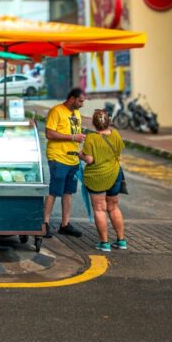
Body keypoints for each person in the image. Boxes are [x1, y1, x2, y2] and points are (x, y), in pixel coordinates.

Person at [79, 109, 128, 252]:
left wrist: (80, 155)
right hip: (114, 174)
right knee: (113, 207)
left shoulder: (91, 138)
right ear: (109, 121)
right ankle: (121, 240)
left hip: (97, 177)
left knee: (100, 209)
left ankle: (104, 243)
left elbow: (89, 159)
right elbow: (118, 154)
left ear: (94, 123)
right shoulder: (116, 135)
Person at [42, 87, 86, 237]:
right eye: (80, 101)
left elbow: (74, 133)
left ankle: (65, 224)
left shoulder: (77, 114)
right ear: (72, 99)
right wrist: (72, 138)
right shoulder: (56, 111)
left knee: (69, 192)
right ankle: (44, 223)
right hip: (58, 157)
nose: (82, 104)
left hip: (73, 158)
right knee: (54, 190)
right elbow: (49, 133)